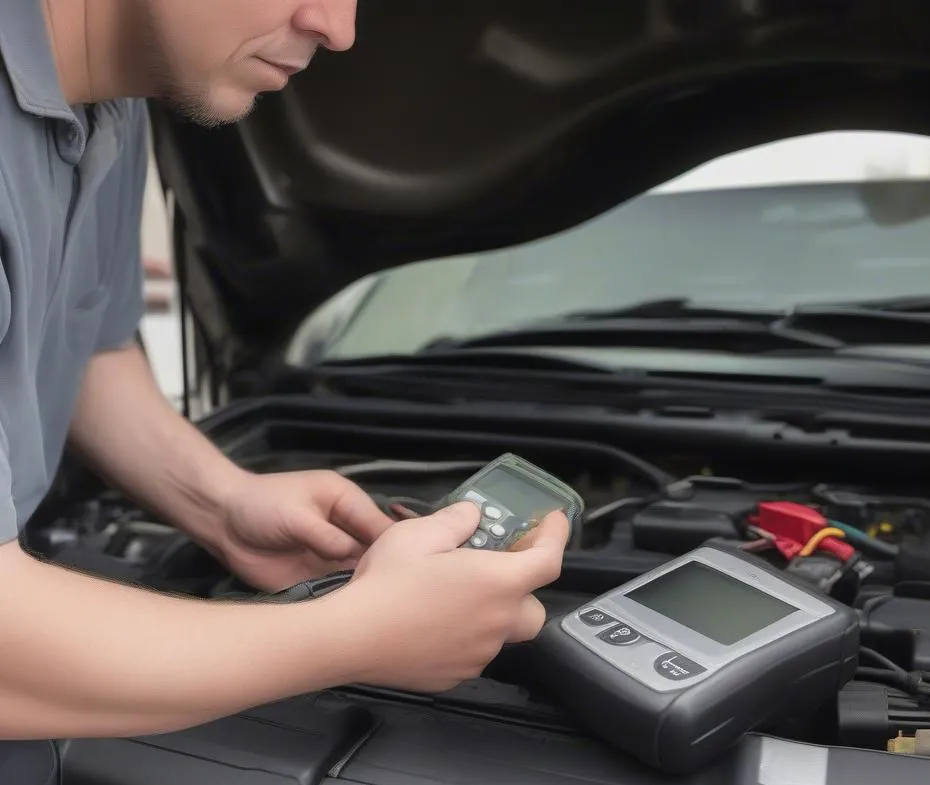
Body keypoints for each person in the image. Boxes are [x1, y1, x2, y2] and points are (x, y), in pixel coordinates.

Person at [0, 0, 569, 739]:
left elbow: (86, 339)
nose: (339, 28)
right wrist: (355, 636)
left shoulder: (113, 98)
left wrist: (220, 503)